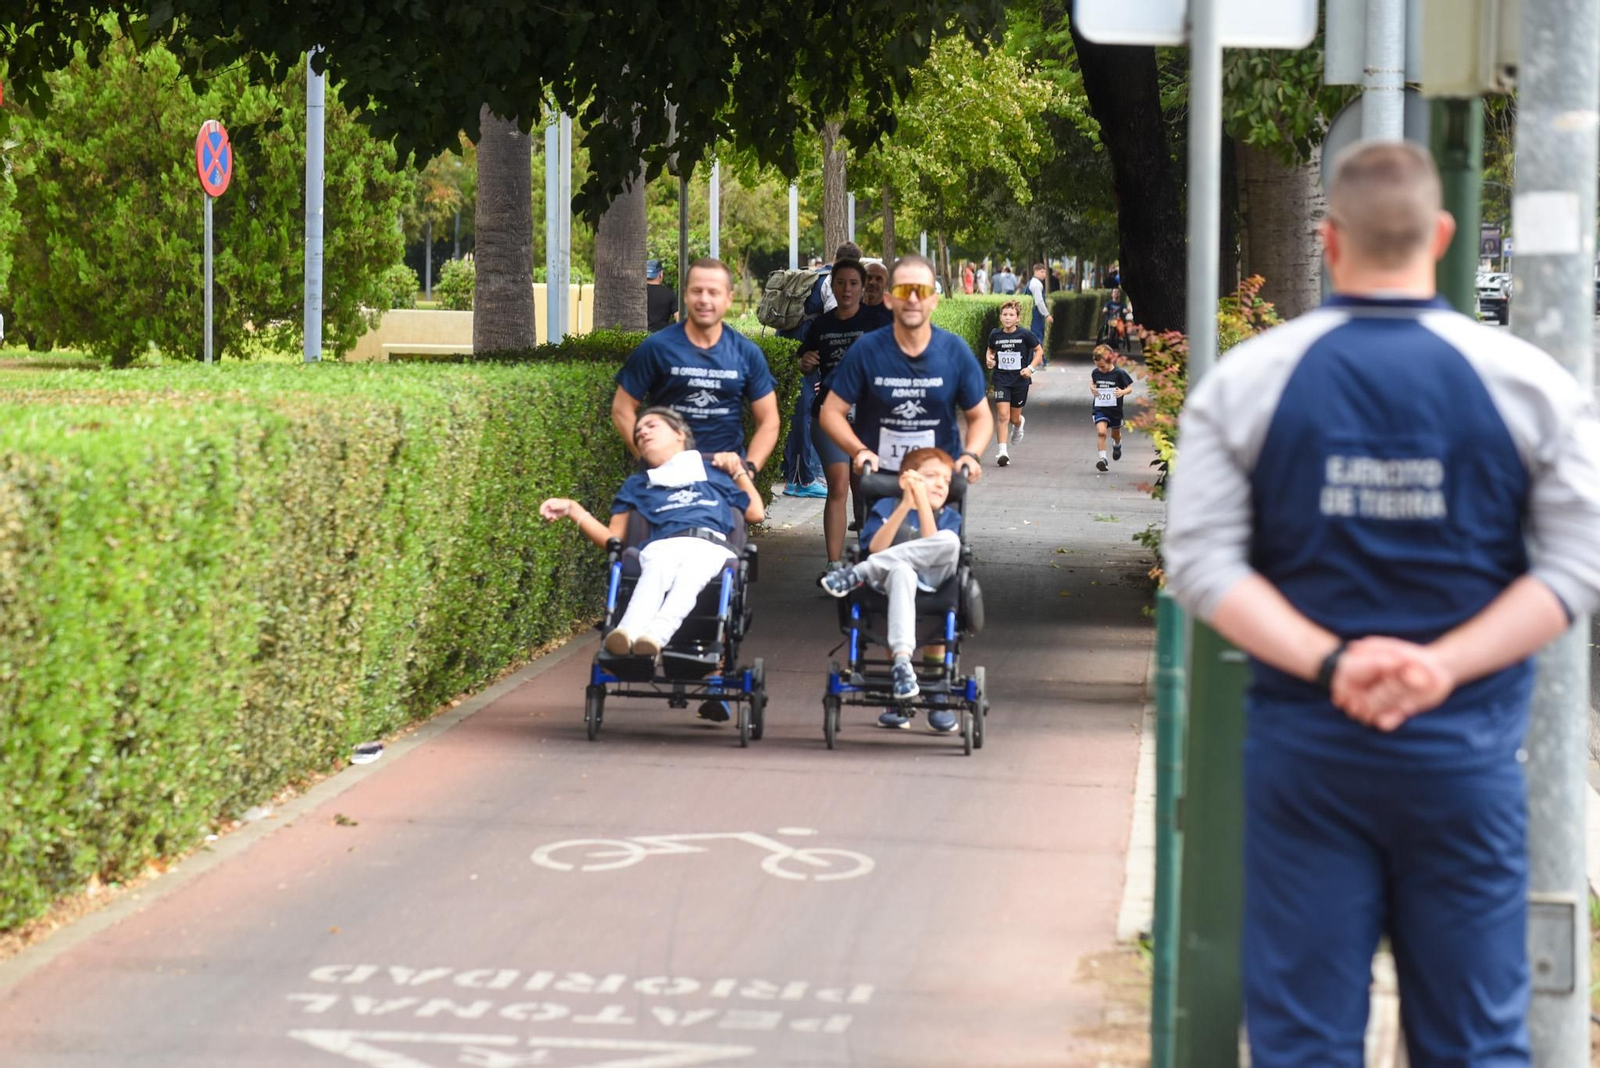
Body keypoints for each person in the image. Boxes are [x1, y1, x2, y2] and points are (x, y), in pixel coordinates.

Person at [1162, 140, 1600, 1068]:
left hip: (1307, 756)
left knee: (1306, 1041)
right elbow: (1574, 569)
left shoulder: (1248, 384)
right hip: (1466, 756)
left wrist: (1333, 661)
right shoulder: (1531, 386)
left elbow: (1202, 562)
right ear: (1441, 237)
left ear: (1329, 241)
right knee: (1476, 1041)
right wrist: (1440, 666)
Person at [540, 407, 764, 658]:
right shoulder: (637, 484)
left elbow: (756, 513)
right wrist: (573, 509)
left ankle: (654, 637)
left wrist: (738, 471)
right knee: (656, 569)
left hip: (709, 544)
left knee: (692, 575)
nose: (642, 432)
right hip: (664, 543)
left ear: (680, 434)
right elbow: (612, 540)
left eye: (651, 426)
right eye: (637, 432)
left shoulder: (713, 473)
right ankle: (626, 633)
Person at [819, 447, 964, 730]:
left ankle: (857, 574)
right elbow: (875, 549)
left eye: (945, 481)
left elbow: (933, 546)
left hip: (935, 581)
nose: (939, 484)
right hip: (892, 583)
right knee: (901, 570)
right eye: (931, 476)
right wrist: (904, 505)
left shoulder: (948, 516)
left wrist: (922, 502)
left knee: (950, 542)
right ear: (906, 479)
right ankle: (901, 664)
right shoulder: (886, 507)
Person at [817, 253, 992, 483]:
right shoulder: (866, 350)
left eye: (921, 291)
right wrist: (859, 451)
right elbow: (830, 413)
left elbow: (980, 416)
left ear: (934, 301)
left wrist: (971, 455)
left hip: (938, 487)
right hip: (880, 485)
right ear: (888, 299)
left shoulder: (954, 351)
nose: (912, 299)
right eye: (903, 290)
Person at [612, 258, 780, 468]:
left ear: (729, 298)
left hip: (723, 479)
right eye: (697, 291)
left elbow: (769, 421)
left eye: (713, 292)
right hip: (667, 480)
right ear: (685, 295)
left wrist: (750, 469)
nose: (704, 299)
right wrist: (649, 458)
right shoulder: (656, 347)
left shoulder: (747, 353)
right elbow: (622, 409)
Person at [797, 258, 877, 568]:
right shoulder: (821, 324)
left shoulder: (876, 322)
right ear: (831, 286)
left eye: (853, 283)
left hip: (869, 417)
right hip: (829, 415)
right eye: (840, 282)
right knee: (839, 486)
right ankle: (834, 563)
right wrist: (805, 362)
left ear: (862, 287)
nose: (846, 289)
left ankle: (870, 558)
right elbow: (804, 359)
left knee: (865, 484)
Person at [985, 300, 1043, 467]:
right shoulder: (995, 334)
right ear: (1001, 317)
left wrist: (1030, 368)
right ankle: (1002, 452)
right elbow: (990, 350)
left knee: (1014, 418)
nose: (1008, 318)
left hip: (1020, 380)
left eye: (1011, 315)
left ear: (1018, 318)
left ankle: (1019, 424)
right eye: (1005, 315)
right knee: (1003, 415)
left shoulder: (1025, 335)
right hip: (1001, 380)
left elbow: (1039, 351)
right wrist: (989, 359)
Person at [1089, 345, 1133, 472]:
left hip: (1115, 411)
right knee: (1101, 432)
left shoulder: (1119, 373)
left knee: (1115, 434)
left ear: (1111, 361)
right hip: (1100, 408)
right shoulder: (1096, 372)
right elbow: (1093, 382)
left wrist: (1123, 392)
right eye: (1097, 366)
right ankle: (1103, 459)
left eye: (1102, 366)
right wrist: (1092, 388)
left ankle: (1117, 444)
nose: (1100, 369)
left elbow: (1130, 388)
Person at [1026, 263, 1052, 357]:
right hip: (1036, 315)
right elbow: (1039, 301)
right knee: (1037, 338)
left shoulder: (1032, 282)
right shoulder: (1037, 284)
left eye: (1045, 272)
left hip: (1033, 314)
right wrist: (1047, 314)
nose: (1044, 274)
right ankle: (1039, 360)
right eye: (1042, 272)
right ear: (1036, 271)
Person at [645, 259, 677, 333]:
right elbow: (679, 317)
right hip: (663, 335)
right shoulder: (670, 293)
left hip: (641, 336)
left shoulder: (637, 293)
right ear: (660, 274)